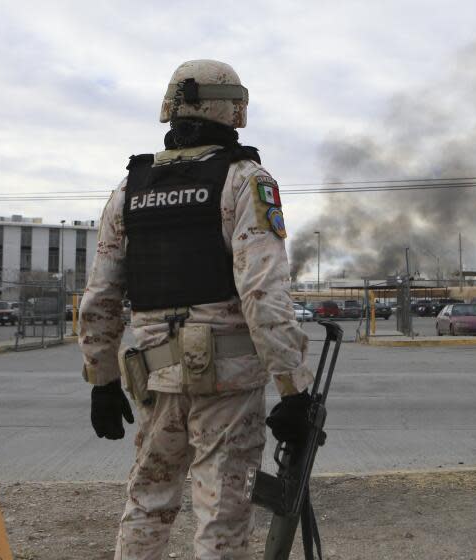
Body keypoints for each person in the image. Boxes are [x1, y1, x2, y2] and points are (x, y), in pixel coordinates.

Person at [79, 59, 313, 560]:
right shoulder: (244, 180)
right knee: (223, 512)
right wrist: (293, 389)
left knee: (147, 502)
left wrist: (101, 380)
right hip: (226, 383)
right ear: (233, 109)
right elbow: (263, 293)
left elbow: (99, 296)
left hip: (153, 376)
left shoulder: (128, 191)